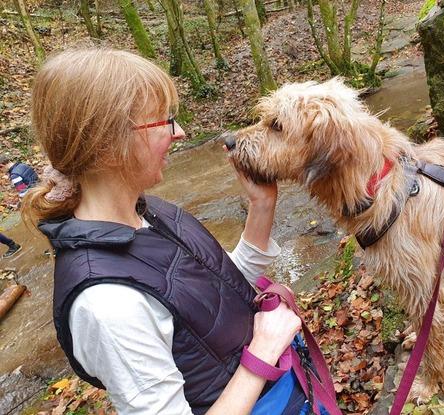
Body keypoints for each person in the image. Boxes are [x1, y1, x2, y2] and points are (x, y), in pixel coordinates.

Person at [23, 48, 304, 415]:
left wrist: (262, 206)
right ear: (107, 144)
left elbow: (217, 292)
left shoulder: (147, 212)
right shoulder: (106, 306)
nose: (181, 132)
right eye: (163, 121)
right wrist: (262, 354)